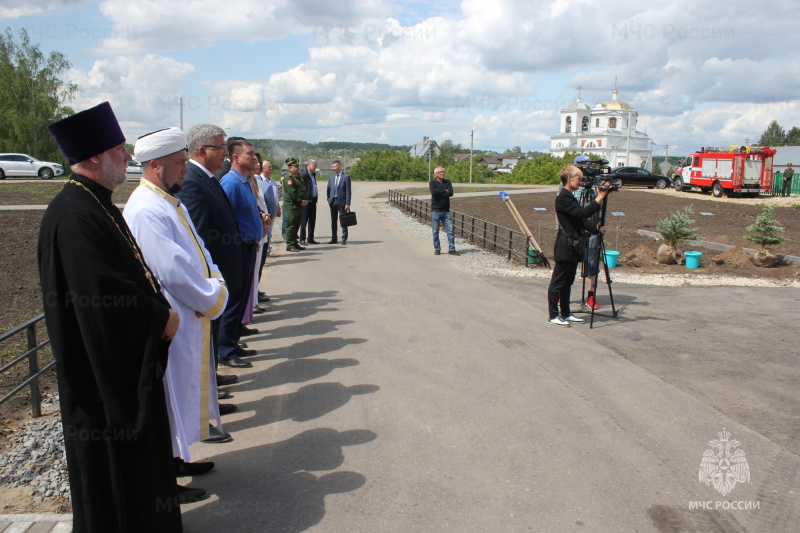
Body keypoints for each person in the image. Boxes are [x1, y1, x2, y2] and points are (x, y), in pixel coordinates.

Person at [38, 102, 184, 531]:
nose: (127, 157)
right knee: (116, 487)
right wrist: (159, 319)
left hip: (123, 372)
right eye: (120, 149)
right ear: (93, 157)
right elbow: (102, 299)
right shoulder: (73, 217)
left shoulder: (95, 202)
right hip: (104, 388)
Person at [123, 128, 230, 493]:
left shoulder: (168, 200)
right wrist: (211, 296)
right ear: (155, 166)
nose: (185, 169)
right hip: (175, 316)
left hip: (189, 314)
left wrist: (214, 279)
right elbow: (172, 270)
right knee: (170, 396)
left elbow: (199, 251)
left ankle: (176, 458)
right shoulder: (145, 208)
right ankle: (164, 478)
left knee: (181, 393)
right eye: (179, 163)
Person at [177, 125, 252, 375]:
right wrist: (208, 278)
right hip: (214, 273)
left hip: (225, 267)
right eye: (220, 147)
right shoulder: (192, 181)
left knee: (217, 327)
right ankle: (210, 389)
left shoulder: (207, 177)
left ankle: (213, 381)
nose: (225, 154)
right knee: (209, 332)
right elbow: (198, 237)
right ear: (201, 150)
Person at [547, 165, 610, 327]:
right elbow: (582, 213)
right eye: (578, 179)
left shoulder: (570, 196)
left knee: (568, 282)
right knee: (558, 281)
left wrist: (594, 228)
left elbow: (579, 221)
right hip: (565, 244)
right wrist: (600, 197)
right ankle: (553, 315)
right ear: (569, 178)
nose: (581, 182)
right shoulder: (563, 197)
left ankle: (566, 313)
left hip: (574, 244)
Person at [219, 138, 264, 358]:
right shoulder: (231, 183)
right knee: (233, 299)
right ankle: (225, 350)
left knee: (240, 297)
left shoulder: (244, 182)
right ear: (235, 158)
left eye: (254, 154)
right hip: (237, 250)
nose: (255, 157)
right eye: (250, 154)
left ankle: (233, 342)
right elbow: (224, 220)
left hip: (248, 248)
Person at [573, 155, 605, 308]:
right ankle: (562, 294)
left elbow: (601, 207)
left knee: (592, 264)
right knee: (570, 263)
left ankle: (591, 296)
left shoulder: (596, 184)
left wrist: (601, 226)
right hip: (574, 230)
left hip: (592, 230)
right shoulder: (568, 184)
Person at [429, 166, 458, 255]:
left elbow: (451, 193)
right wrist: (444, 191)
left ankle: (452, 249)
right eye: (440, 172)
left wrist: (439, 192)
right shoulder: (432, 182)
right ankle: (437, 248)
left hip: (446, 211)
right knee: (435, 231)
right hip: (435, 210)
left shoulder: (447, 182)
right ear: (436, 174)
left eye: (443, 172)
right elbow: (433, 192)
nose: (442, 173)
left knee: (450, 230)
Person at [283, 157, 308, 251]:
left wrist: (304, 200)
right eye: (295, 166)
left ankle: (294, 243)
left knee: (297, 223)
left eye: (298, 166)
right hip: (292, 205)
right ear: (290, 168)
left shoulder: (298, 177)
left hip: (298, 205)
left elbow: (301, 190)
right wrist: (300, 201)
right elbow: (292, 192)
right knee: (291, 224)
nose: (298, 168)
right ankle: (289, 244)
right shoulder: (288, 177)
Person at [327, 159, 351, 244]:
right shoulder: (331, 177)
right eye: (332, 167)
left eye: (335, 166)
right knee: (333, 221)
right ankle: (334, 238)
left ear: (340, 166)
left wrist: (347, 203)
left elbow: (348, 191)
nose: (333, 168)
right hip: (333, 202)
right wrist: (329, 199)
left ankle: (344, 238)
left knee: (343, 221)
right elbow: (328, 190)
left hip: (342, 202)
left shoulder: (346, 177)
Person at [299, 159, 320, 245]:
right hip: (306, 201)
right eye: (314, 165)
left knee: (312, 220)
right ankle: (302, 239)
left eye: (316, 165)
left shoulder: (313, 175)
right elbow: (300, 189)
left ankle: (310, 238)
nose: (315, 167)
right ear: (308, 165)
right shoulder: (303, 175)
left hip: (313, 200)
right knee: (304, 221)